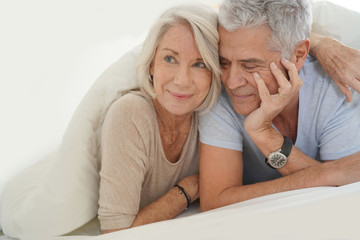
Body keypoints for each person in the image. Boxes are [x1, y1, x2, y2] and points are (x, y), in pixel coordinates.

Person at [199, 0, 360, 212]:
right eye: (225, 63)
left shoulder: (333, 90)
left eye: (250, 65)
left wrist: (264, 134)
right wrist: (323, 174)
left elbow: (342, 200)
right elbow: (215, 201)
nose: (232, 82)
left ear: (298, 55)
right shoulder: (217, 93)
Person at [97, 4, 221, 233]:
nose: (182, 81)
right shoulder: (130, 114)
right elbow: (115, 233)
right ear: (152, 63)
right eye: (170, 59)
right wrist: (188, 188)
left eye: (199, 64)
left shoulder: (213, 115)